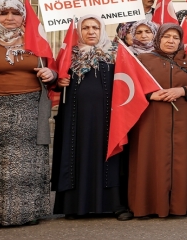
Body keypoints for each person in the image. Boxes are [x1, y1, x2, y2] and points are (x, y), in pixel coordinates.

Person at [0, 0, 56, 229]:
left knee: (28, 162)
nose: (10, 17)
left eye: (16, 13)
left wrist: (50, 73)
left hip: (31, 108)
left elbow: (53, 68)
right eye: (4, 13)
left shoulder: (37, 41)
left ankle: (27, 213)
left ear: (24, 16)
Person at [52, 15, 132, 221]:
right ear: (79, 30)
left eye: (95, 27)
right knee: (76, 154)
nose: (91, 31)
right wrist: (58, 81)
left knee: (110, 156)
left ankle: (115, 204)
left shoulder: (116, 53)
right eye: (86, 27)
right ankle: (75, 205)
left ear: (102, 29)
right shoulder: (69, 54)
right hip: (75, 117)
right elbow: (54, 78)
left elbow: (129, 80)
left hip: (108, 117)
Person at [128, 23, 187, 218]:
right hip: (152, 118)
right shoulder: (143, 59)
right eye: (166, 37)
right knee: (152, 158)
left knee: (185, 160)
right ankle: (148, 205)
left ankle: (186, 203)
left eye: (175, 37)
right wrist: (150, 96)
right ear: (158, 39)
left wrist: (182, 91)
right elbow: (131, 86)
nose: (171, 41)